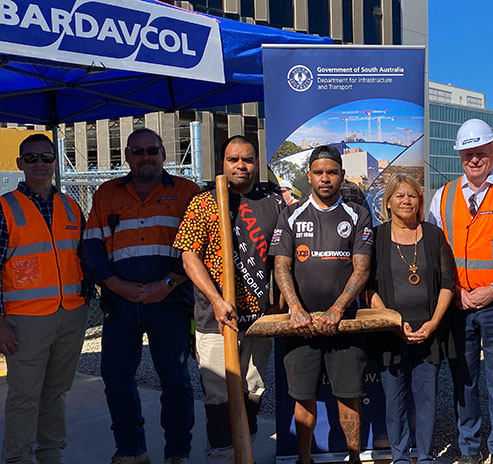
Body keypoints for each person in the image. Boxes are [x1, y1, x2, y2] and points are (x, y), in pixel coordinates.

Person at [83, 128, 199, 464]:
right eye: (137, 151)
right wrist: (114, 284)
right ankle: (131, 450)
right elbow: (91, 244)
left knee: (175, 380)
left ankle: (177, 453)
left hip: (170, 300)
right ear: (127, 156)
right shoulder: (106, 193)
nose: (145, 157)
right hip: (121, 301)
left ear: (164, 154)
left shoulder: (186, 192)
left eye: (152, 151)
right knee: (116, 378)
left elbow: (199, 246)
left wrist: (167, 283)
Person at [0, 133, 92, 464]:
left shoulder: (70, 207)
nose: (39, 164)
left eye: (46, 157)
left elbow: (82, 259)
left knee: (56, 393)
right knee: (25, 396)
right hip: (25, 320)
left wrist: (86, 301)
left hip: (70, 315)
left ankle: (51, 454)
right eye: (31, 158)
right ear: (19, 164)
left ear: (56, 161)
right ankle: (17, 458)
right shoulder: (3, 208)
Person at [427, 119, 493, 464]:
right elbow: (435, 251)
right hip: (457, 303)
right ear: (460, 156)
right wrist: (455, 292)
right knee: (464, 376)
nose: (474, 160)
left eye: (480, 152)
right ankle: (469, 446)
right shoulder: (441, 197)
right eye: (467, 154)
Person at [174, 135, 284, 463]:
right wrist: (218, 300)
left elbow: (281, 255)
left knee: (253, 389)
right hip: (216, 317)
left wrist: (278, 303)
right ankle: (222, 456)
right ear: (222, 162)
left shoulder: (273, 202)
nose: (241, 165)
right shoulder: (204, 202)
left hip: (259, 318)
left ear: (256, 163)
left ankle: (245, 451)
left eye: (247, 159)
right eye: (233, 159)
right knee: (219, 395)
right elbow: (189, 258)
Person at [269, 145, 374, 464]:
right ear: (309, 175)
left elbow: (362, 268)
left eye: (331, 172)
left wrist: (337, 309)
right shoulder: (291, 212)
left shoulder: (358, 213)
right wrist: (295, 308)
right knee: (303, 397)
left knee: (348, 395)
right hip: (300, 325)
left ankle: (354, 458)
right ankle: (304, 459)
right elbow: (281, 266)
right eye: (319, 172)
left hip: (344, 322)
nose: (325, 178)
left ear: (342, 175)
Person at [366, 173, 455, 464]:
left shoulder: (433, 235)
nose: (406, 200)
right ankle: (401, 457)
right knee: (394, 401)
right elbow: (367, 287)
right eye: (399, 195)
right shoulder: (377, 237)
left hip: (429, 332)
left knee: (427, 400)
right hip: (391, 333)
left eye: (412, 195)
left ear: (419, 201)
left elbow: (447, 283)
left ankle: (426, 457)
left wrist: (434, 323)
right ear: (388, 202)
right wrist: (392, 320)